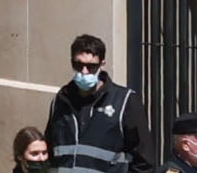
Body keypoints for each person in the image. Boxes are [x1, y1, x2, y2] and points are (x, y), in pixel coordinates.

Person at [42, 36, 139, 173]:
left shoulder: (124, 101)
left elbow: (143, 161)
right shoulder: (60, 101)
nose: (84, 71)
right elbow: (49, 152)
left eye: (91, 66)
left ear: (102, 64)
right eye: (78, 65)